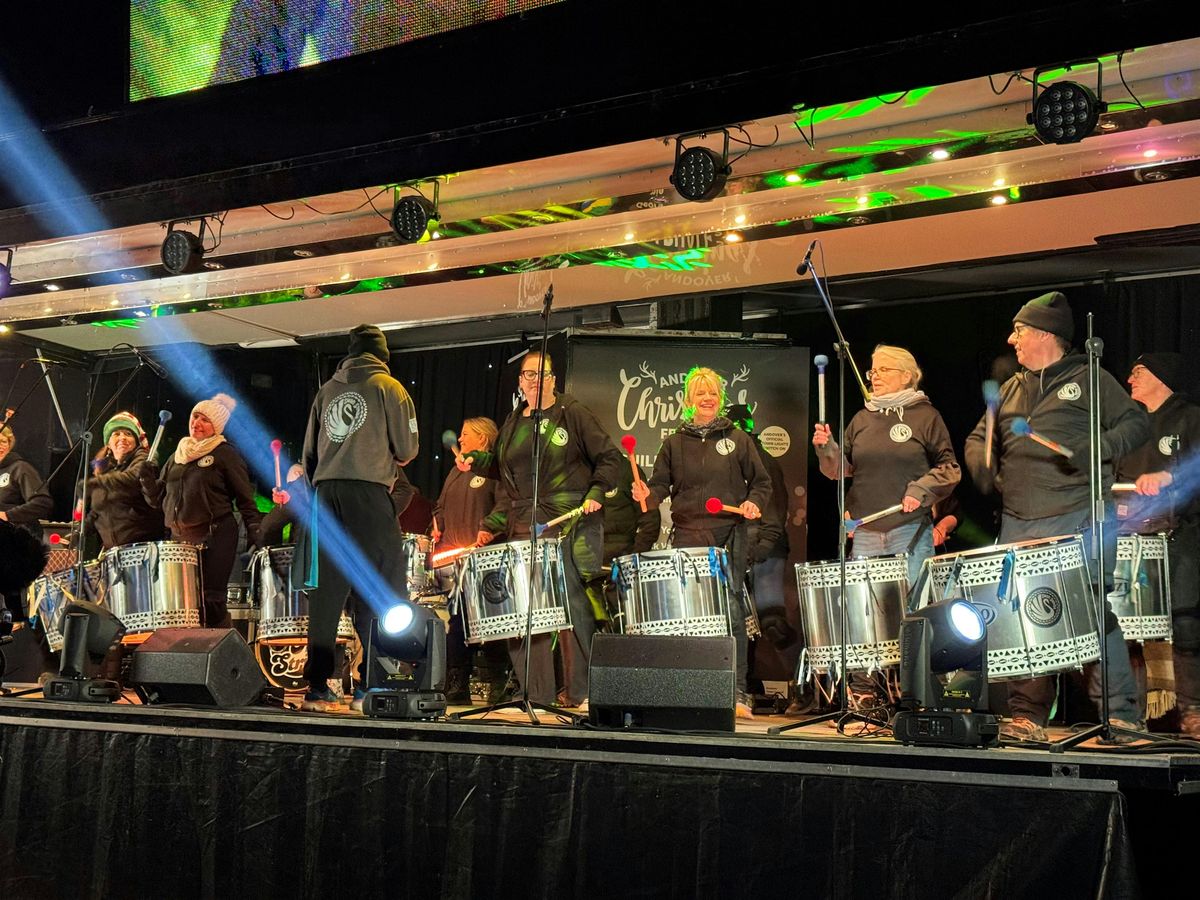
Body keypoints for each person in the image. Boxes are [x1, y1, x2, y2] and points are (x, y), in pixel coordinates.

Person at [965, 291, 1150, 743]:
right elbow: (976, 439)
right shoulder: (1011, 388)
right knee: (1022, 620)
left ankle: (1121, 715)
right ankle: (1027, 716)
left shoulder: (1090, 379)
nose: (1012, 340)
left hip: (1079, 515)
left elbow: (1137, 422)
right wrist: (982, 464)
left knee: (1089, 612)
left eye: (1020, 331)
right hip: (1020, 520)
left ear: (1046, 334)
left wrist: (1097, 449)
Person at [472, 350, 623, 710]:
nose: (536, 381)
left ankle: (580, 692)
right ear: (520, 382)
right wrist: (477, 464)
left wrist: (597, 492)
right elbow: (508, 478)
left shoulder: (573, 413)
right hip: (525, 523)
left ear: (554, 379)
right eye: (529, 375)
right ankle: (535, 694)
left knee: (570, 606)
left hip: (567, 519)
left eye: (543, 375)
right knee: (526, 610)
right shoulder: (511, 423)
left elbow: (610, 458)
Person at [632, 366, 772, 718]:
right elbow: (660, 486)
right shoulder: (674, 443)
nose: (707, 399)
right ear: (689, 401)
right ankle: (690, 689)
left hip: (729, 532)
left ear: (720, 399)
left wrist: (754, 502)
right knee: (689, 615)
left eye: (713, 393)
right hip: (688, 534)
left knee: (732, 611)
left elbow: (761, 483)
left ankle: (738, 693)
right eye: (700, 394)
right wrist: (647, 494)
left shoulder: (738, 439)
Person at [299, 324, 419, 712]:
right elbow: (407, 448)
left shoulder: (326, 390)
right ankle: (374, 685)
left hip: (324, 495)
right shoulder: (390, 388)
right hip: (368, 492)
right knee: (381, 585)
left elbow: (308, 457)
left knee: (327, 594)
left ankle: (317, 688)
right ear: (383, 355)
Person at [813, 345, 960, 588]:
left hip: (908, 528)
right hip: (865, 531)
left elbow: (950, 469)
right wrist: (827, 448)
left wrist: (919, 490)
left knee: (913, 605)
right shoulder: (863, 418)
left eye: (884, 369)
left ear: (906, 376)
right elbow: (839, 470)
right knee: (868, 613)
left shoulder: (926, 416)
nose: (875, 376)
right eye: (872, 372)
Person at [1116, 352, 1200, 739]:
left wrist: (1168, 476)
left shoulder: (1190, 417)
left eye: (1138, 371)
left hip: (1181, 534)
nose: (1130, 378)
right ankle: (1130, 714)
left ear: (1161, 376)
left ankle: (1192, 711)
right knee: (1130, 627)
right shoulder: (1129, 426)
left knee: (1185, 624)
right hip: (1133, 538)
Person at [141, 394, 262, 630]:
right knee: (183, 604)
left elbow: (245, 500)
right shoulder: (178, 454)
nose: (196, 423)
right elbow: (157, 501)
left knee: (211, 599)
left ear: (216, 426)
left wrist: (256, 531)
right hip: (180, 540)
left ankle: (220, 653)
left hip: (215, 536)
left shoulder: (225, 454)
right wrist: (147, 481)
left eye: (205, 420)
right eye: (195, 417)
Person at [431, 417, 508, 704]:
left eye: (466, 435)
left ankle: (498, 683)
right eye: (460, 435)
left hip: (487, 560)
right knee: (458, 622)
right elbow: (440, 505)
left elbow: (506, 503)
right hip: (457, 560)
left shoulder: (493, 470)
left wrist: (490, 526)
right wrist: (437, 523)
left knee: (492, 624)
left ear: (483, 440)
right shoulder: (455, 471)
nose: (461, 440)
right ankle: (457, 682)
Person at [86, 412, 164, 551]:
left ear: (136, 442)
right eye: (116, 434)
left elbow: (134, 479)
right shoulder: (105, 472)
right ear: (108, 444)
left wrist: (95, 483)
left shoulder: (144, 459)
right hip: (112, 554)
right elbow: (96, 512)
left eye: (128, 434)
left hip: (143, 551)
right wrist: (76, 534)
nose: (122, 437)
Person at [0, 424, 55, 619]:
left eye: (3, 441)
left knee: (15, 607)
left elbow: (43, 502)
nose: (0, 446)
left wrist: (8, 515)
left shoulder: (20, 468)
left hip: (18, 547)